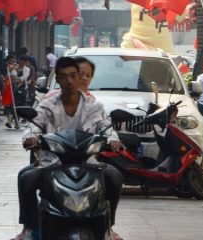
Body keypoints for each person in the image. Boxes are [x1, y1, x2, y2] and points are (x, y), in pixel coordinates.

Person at [14, 57, 124, 240]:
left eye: (73, 75)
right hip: (53, 163)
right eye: (64, 76)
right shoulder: (47, 105)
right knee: (26, 178)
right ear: (57, 79)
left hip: (88, 163)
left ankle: (108, 227)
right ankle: (30, 228)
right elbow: (33, 126)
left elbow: (106, 127)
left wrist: (113, 140)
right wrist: (30, 138)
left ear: (79, 77)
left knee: (115, 177)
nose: (70, 81)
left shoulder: (94, 106)